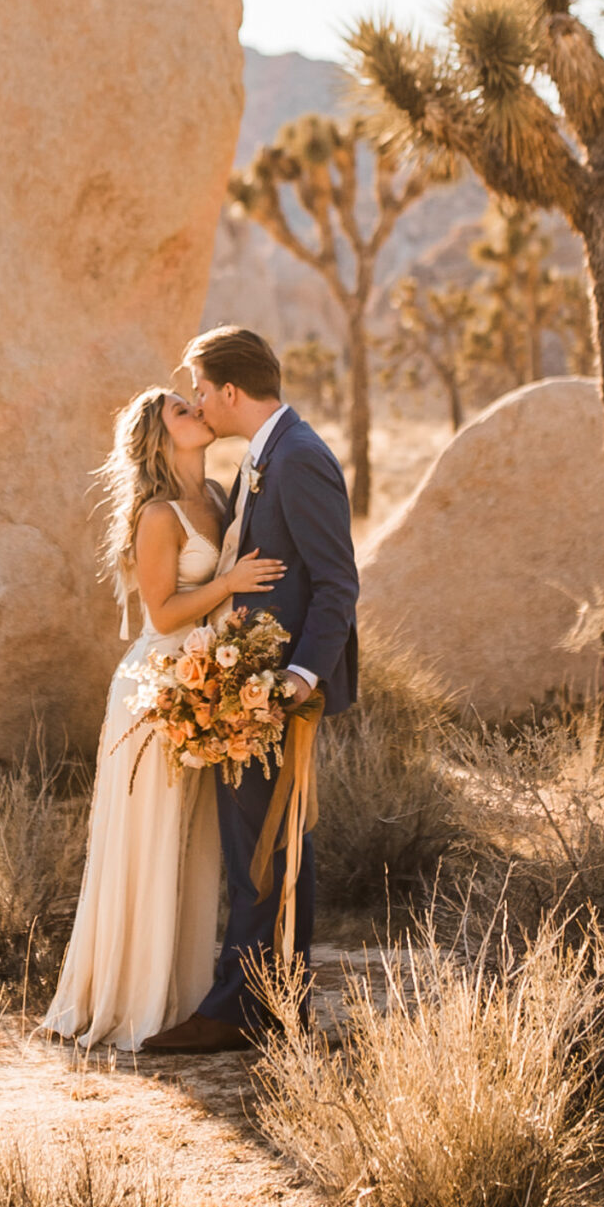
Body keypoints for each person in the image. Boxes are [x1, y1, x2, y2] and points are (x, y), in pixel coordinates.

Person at [38, 386, 285, 1050]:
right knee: (148, 843)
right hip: (155, 692)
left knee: (196, 845)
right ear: (158, 436)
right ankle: (126, 1001)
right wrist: (228, 587)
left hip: (206, 682)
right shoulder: (159, 516)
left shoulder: (221, 497)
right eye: (181, 409)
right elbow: (165, 613)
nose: (197, 411)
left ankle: (180, 999)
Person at [142, 326, 359, 1055]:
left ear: (229, 392)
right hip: (249, 690)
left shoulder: (298, 459)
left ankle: (247, 1011)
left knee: (271, 849)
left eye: (201, 389)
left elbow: (337, 585)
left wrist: (299, 680)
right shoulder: (265, 458)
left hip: (279, 693)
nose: (198, 401)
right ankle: (268, 1006)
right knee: (259, 849)